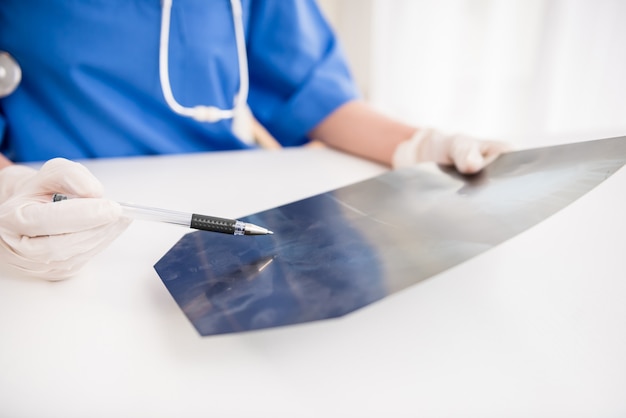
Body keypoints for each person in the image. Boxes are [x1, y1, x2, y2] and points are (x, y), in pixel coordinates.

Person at [0, 0, 509, 280]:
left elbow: (312, 91)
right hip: (68, 219)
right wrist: (11, 190)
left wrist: (421, 144)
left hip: (228, 210)